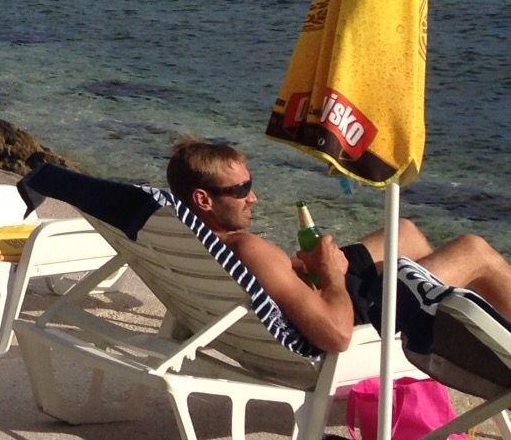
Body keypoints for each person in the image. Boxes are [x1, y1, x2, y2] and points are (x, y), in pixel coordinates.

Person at [169, 138, 511, 353]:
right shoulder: (247, 248)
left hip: (321, 291)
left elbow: (277, 283)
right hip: (354, 316)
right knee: (474, 250)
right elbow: (336, 335)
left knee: (404, 232)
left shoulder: (189, 237)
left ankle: (434, 309)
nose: (253, 197)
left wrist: (306, 268)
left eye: (250, 184)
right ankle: (440, 324)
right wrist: (332, 276)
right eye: (241, 190)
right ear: (203, 199)